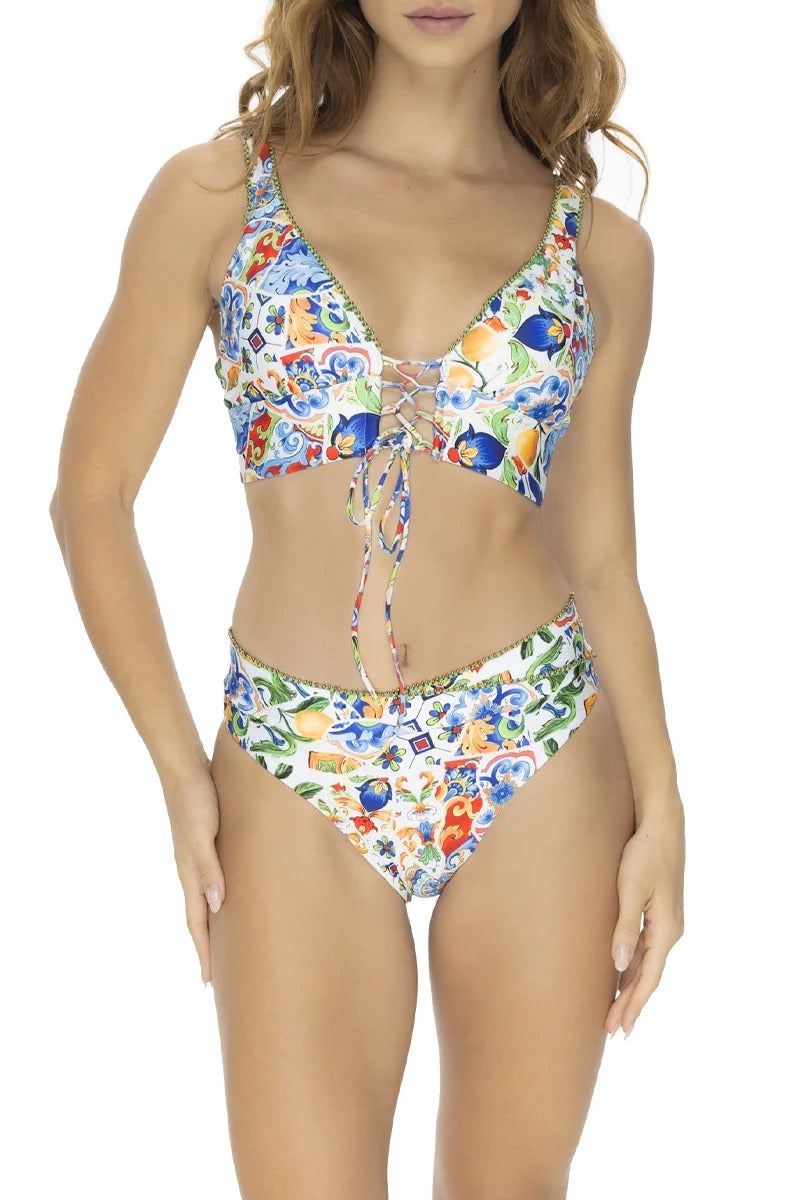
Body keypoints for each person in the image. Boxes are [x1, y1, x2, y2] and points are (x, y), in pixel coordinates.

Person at [50, 1, 686, 1196]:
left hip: (535, 743)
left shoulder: (598, 251)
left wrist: (662, 807)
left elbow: (600, 557)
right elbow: (92, 497)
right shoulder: (219, 197)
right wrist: (180, 771)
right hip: (294, 755)